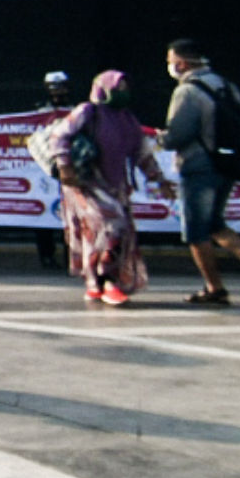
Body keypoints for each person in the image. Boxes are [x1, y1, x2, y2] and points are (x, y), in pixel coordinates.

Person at [160, 39, 240, 304]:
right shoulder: (226, 85)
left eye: (170, 61)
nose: (170, 66)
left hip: (199, 167)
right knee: (214, 224)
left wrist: (160, 139)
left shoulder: (187, 91)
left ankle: (215, 288)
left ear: (182, 63)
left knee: (195, 231)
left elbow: (178, 134)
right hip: (226, 164)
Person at [50, 71, 176, 306]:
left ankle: (96, 284)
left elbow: (142, 154)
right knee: (111, 228)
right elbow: (59, 137)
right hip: (86, 184)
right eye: (119, 88)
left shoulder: (127, 120)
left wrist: (159, 180)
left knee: (107, 234)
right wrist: (64, 165)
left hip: (115, 187)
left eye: (125, 88)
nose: (123, 93)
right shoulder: (87, 112)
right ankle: (108, 281)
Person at [36, 70, 76, 271]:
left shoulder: (77, 109)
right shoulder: (38, 111)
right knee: (43, 214)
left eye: (60, 86)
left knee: (72, 215)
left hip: (70, 165)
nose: (57, 91)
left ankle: (72, 256)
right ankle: (46, 255)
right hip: (45, 167)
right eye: (52, 87)